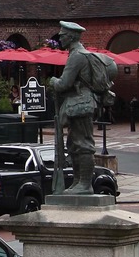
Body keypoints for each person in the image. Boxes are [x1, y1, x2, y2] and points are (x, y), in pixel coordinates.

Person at [49, 20, 115, 194]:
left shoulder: (77, 56)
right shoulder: (76, 54)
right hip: (77, 103)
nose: (60, 39)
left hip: (81, 103)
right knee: (73, 145)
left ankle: (85, 184)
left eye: (62, 35)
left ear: (71, 37)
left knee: (83, 144)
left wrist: (53, 81)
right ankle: (77, 181)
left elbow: (64, 83)